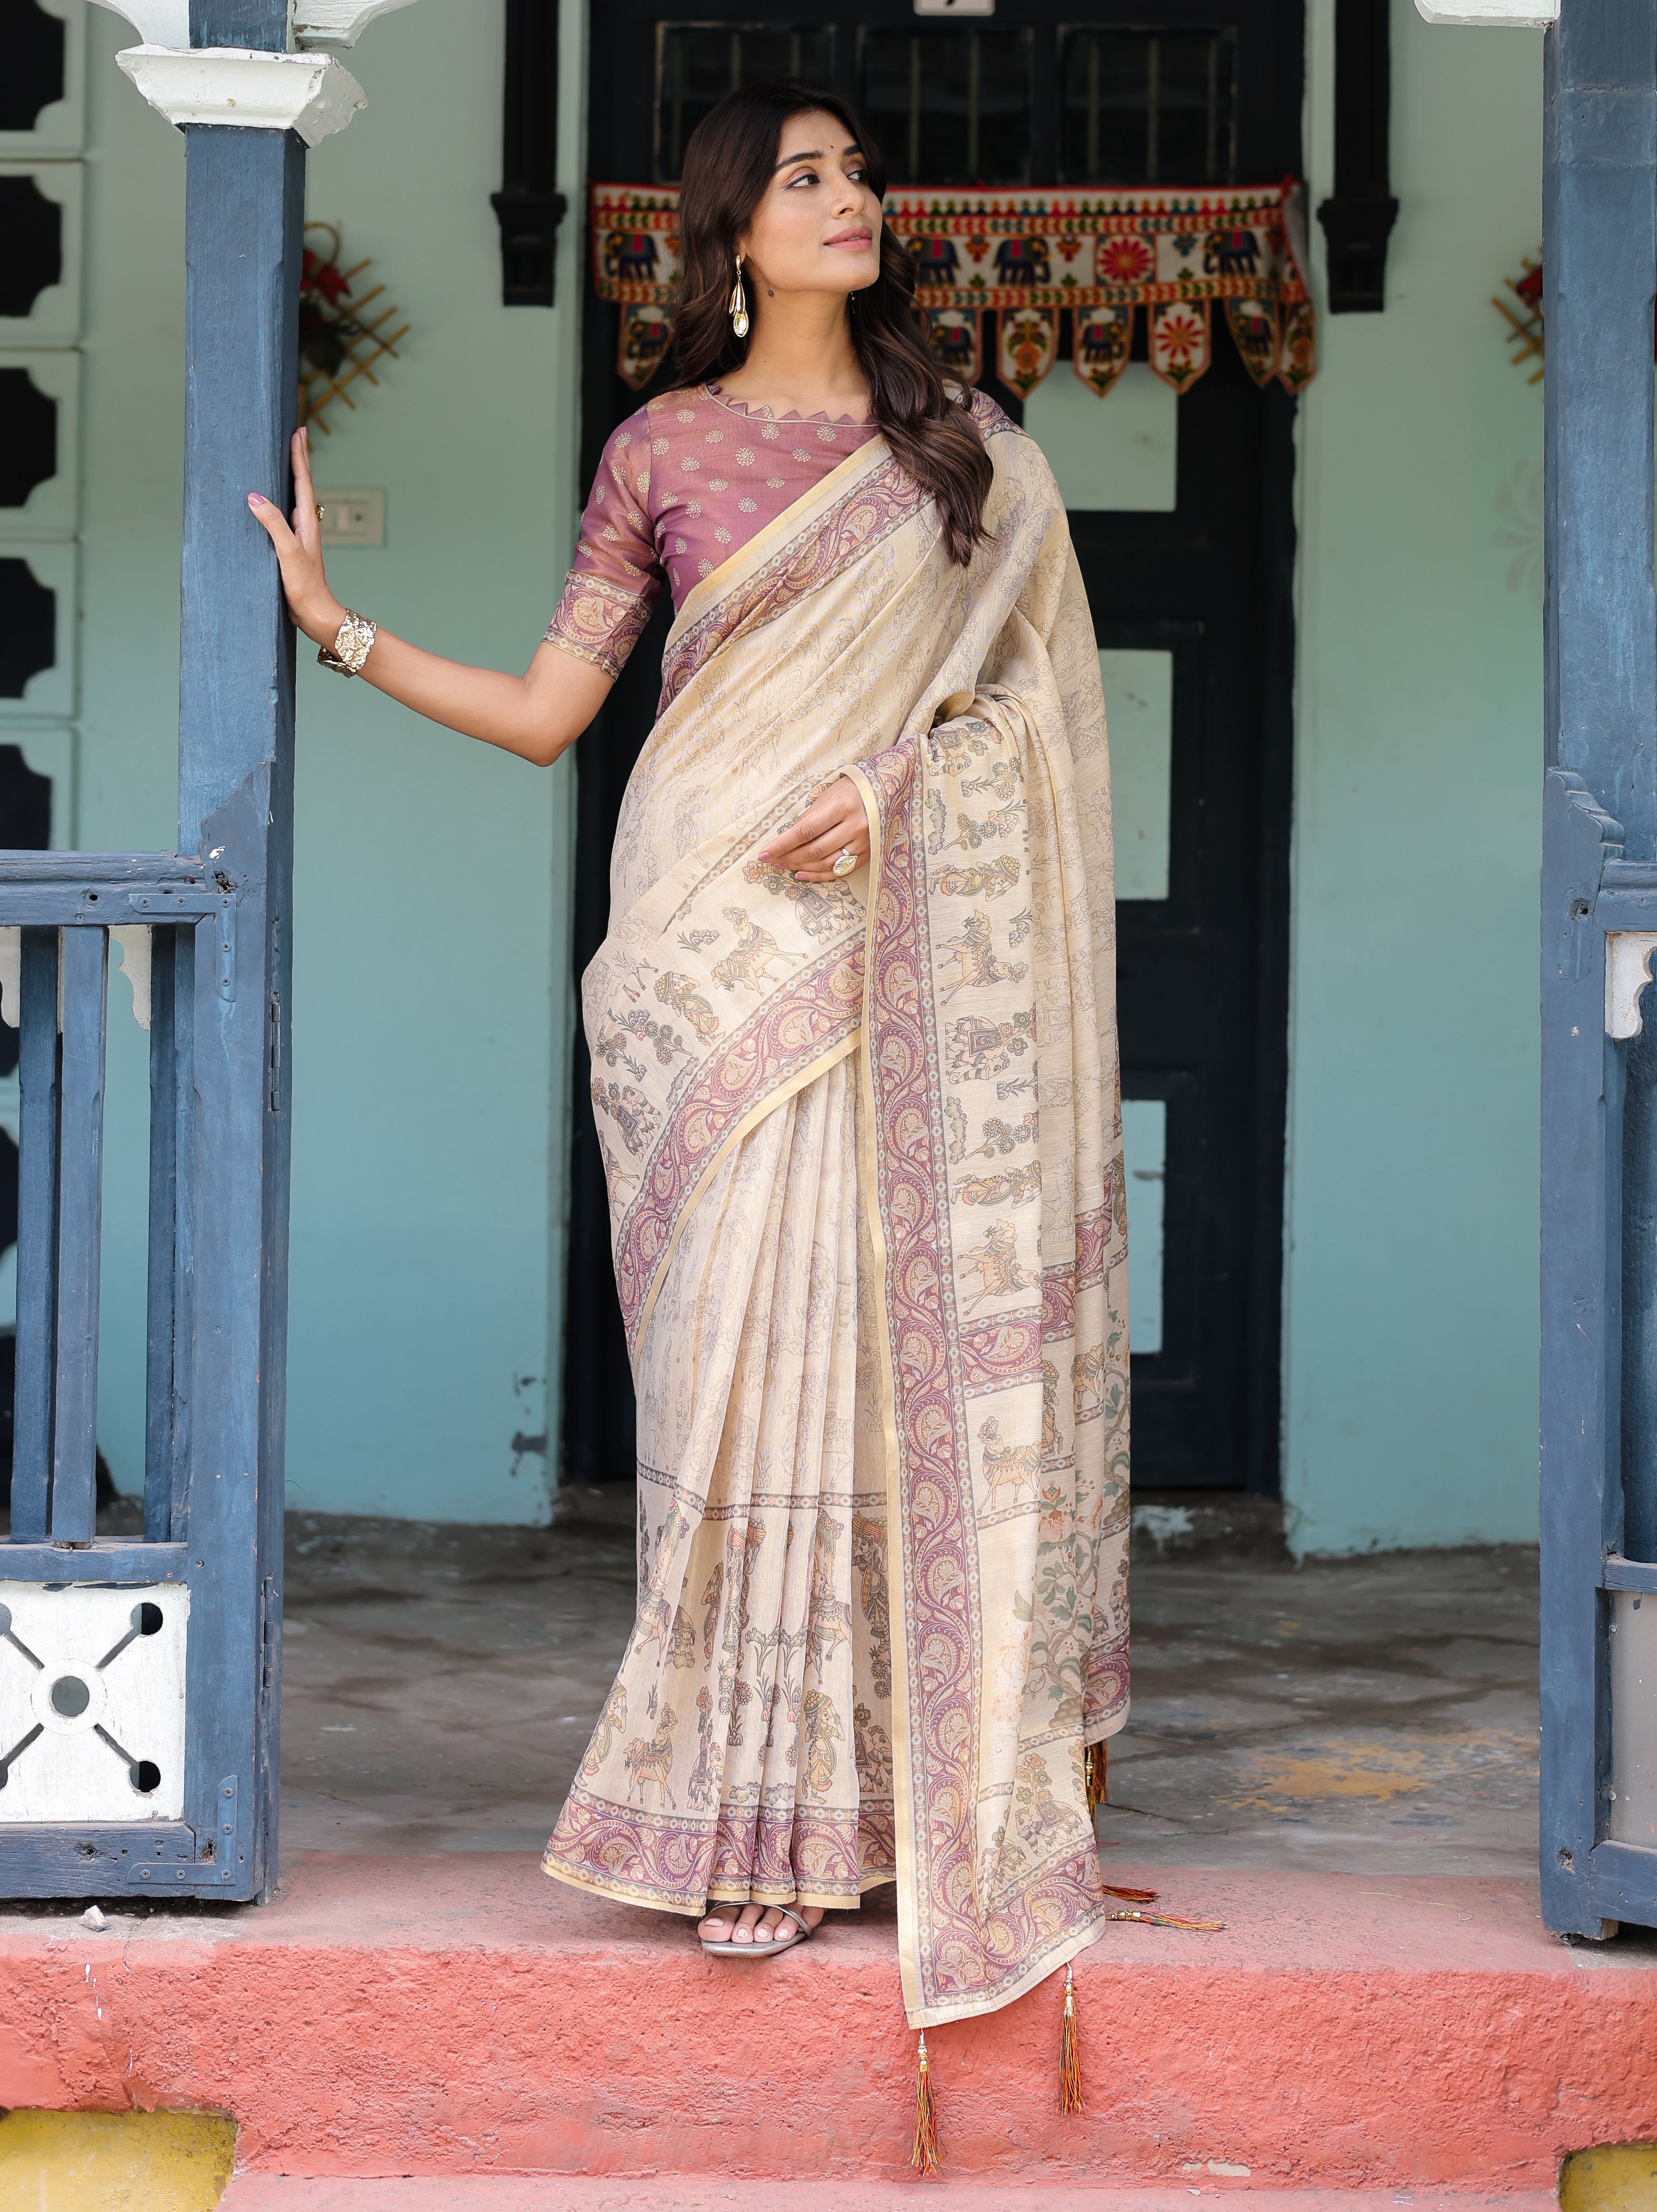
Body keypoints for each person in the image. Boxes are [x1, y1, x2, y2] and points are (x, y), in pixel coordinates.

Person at [250, 77, 1129, 2035]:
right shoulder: (659, 446)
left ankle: (889, 1802)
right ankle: (743, 1808)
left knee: (885, 1362)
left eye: (857, 173)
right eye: (804, 179)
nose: (849, 199)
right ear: (730, 233)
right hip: (700, 957)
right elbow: (552, 710)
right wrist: (339, 626)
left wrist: (899, 793)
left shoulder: (969, 448)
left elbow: (1036, 719)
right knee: (732, 1375)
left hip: (883, 942)